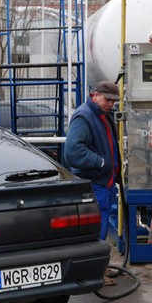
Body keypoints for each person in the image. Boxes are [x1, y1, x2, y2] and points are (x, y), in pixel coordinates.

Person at [64, 81, 121, 286]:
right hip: (94, 184)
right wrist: (102, 162)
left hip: (103, 183)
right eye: (108, 100)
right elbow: (73, 151)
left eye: (114, 101)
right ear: (94, 95)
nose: (111, 104)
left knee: (101, 229)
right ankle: (92, 273)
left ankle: (99, 268)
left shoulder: (100, 115)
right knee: (96, 231)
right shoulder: (84, 117)